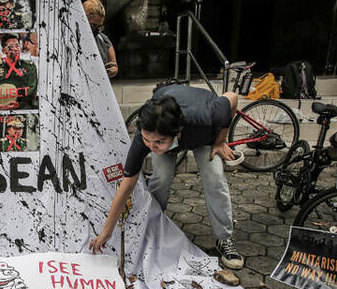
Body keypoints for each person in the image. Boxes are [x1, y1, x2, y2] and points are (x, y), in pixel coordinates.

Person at [89, 85, 245, 269]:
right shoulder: (145, 139)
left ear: (177, 133)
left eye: (158, 142)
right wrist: (107, 231)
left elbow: (232, 98)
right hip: (169, 112)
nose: (151, 147)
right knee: (161, 178)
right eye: (147, 141)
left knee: (215, 178)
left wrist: (220, 141)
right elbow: (127, 185)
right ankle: (152, 225)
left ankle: (224, 238)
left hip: (204, 137)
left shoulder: (206, 115)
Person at [0, 34, 38, 110]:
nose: (16, 49)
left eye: (17, 46)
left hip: (23, 109)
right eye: (11, 47)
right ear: (4, 51)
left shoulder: (29, 67)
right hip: (0, 109)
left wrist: (19, 104)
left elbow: (31, 92)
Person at [83, 0, 118, 78]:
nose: (97, 30)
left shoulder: (103, 39)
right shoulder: (71, 40)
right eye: (93, 25)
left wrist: (113, 70)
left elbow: (113, 63)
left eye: (100, 26)